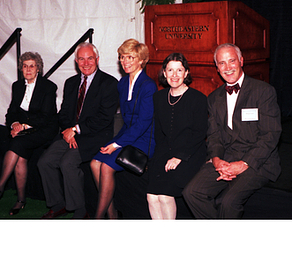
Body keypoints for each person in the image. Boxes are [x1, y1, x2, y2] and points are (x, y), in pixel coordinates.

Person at [182, 43, 282, 218]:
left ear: (241, 61)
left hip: (258, 161)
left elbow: (270, 135)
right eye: (222, 63)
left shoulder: (263, 91)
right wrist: (217, 160)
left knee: (228, 202)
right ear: (217, 68)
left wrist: (243, 164)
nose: (227, 68)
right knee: (192, 192)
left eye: (231, 61)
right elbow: (213, 136)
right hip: (226, 157)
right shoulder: (214, 98)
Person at [37, 42, 118, 219]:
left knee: (67, 163)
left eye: (90, 58)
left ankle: (80, 210)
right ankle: (58, 204)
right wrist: (68, 130)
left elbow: (104, 118)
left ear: (97, 59)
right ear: (76, 61)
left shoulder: (109, 83)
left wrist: (75, 129)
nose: (86, 62)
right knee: (45, 162)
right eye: (81, 59)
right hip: (70, 135)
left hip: (95, 136)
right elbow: (64, 112)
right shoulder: (71, 82)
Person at [90, 38, 157, 219]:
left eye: (130, 57)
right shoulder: (122, 83)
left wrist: (117, 144)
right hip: (127, 134)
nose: (125, 62)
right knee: (94, 163)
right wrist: (116, 141)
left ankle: (98, 218)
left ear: (141, 60)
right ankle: (112, 217)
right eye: (122, 57)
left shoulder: (148, 86)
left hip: (144, 138)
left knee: (106, 167)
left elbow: (143, 123)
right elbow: (126, 120)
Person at [0, 52, 58, 215]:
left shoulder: (49, 87)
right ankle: (21, 200)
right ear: (21, 68)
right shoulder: (17, 86)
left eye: (32, 66)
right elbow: (11, 112)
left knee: (17, 145)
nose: (28, 69)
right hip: (24, 131)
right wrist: (14, 124)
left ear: (38, 69)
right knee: (20, 154)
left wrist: (22, 126)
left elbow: (46, 116)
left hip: (44, 129)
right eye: (25, 66)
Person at [146, 53, 208, 219]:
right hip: (165, 152)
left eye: (179, 70)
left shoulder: (198, 99)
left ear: (186, 73)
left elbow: (200, 133)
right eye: (170, 70)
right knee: (151, 196)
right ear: (164, 73)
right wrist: (157, 159)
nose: (174, 75)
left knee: (165, 196)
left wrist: (179, 157)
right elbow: (159, 133)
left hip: (191, 154)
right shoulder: (158, 98)